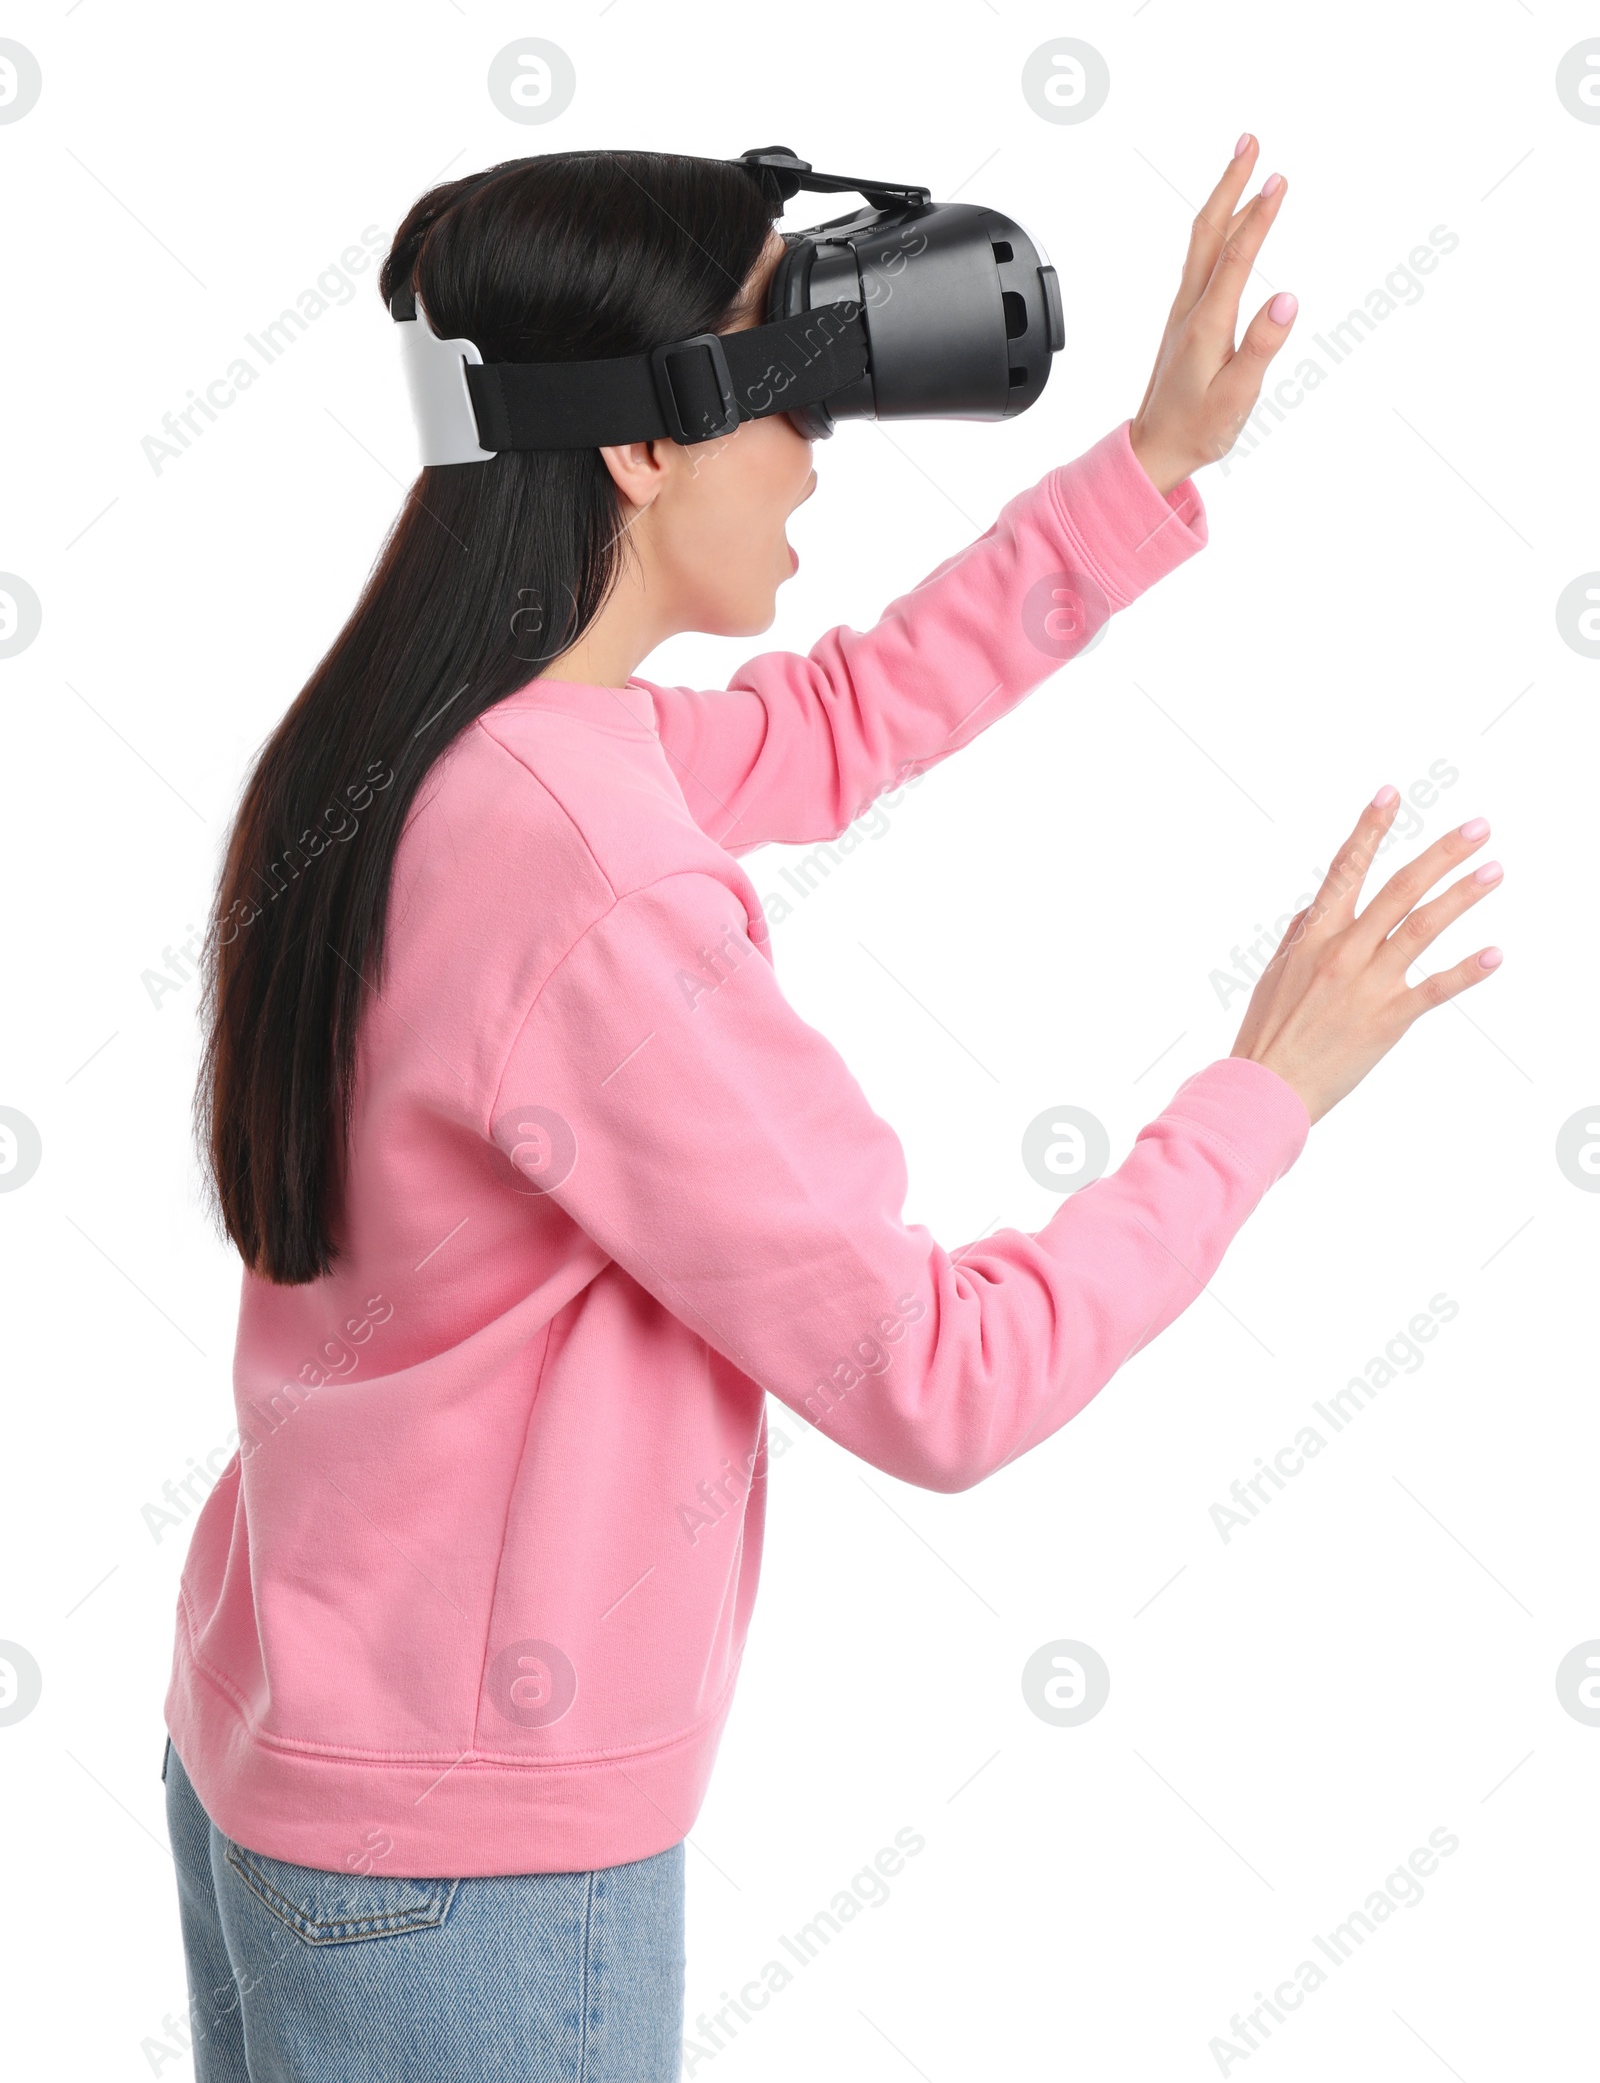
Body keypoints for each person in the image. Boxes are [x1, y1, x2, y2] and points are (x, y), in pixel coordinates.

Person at [161, 139, 1503, 2080]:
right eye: (784, 396)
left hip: (292, 1737)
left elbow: (836, 719)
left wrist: (1144, 476)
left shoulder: (428, 736)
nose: (814, 454)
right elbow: (940, 1376)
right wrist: (1260, 1091)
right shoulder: (584, 867)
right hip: (467, 1861)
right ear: (637, 450)